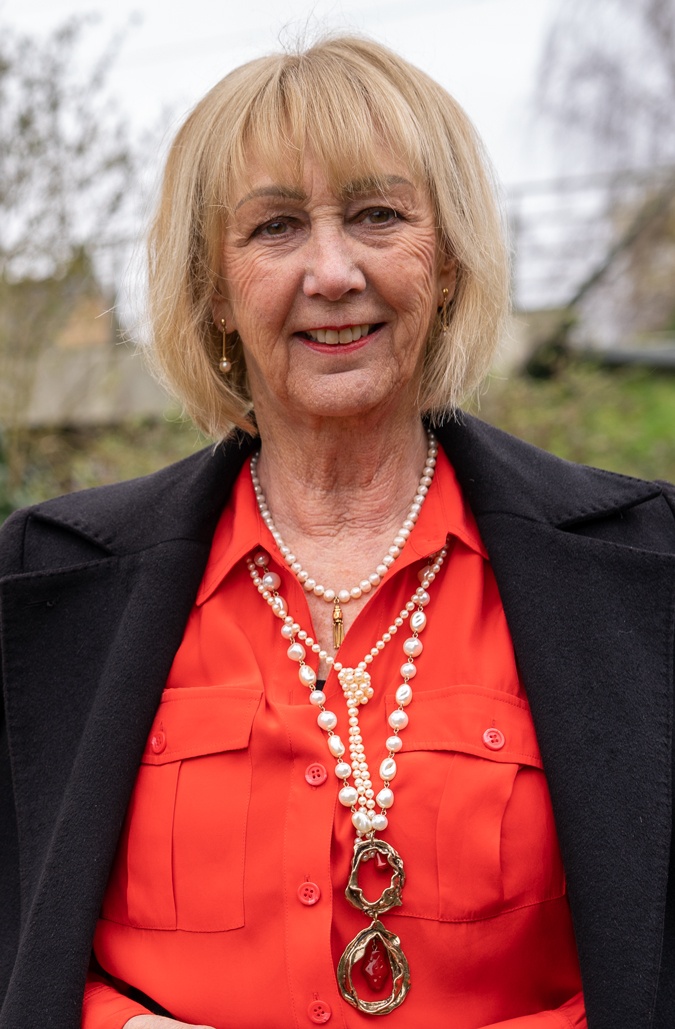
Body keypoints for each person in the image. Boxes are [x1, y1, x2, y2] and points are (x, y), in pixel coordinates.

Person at [0, 34, 673, 1029]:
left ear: (446, 261)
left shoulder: (644, 566)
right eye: (274, 227)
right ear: (214, 289)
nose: (331, 271)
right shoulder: (48, 586)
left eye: (377, 216)